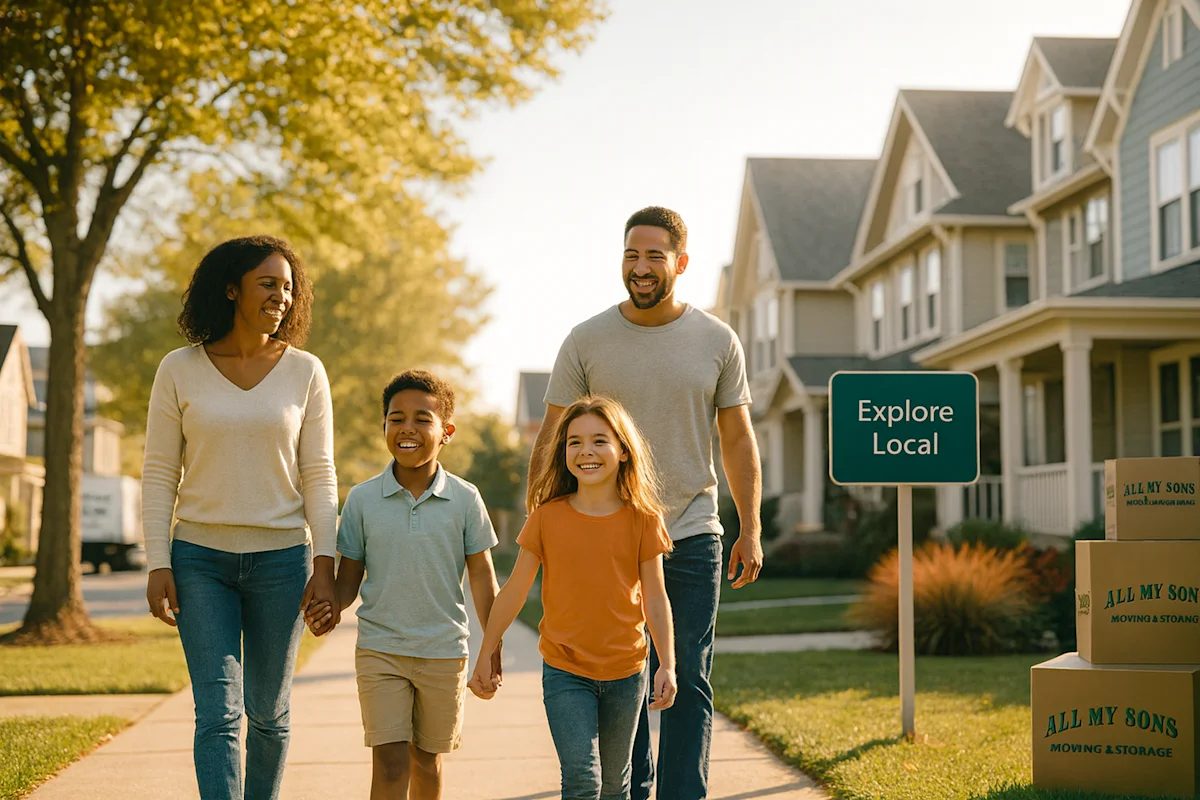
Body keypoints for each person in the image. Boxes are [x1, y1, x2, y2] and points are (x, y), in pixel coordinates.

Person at [530, 206, 764, 799]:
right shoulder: (587, 339)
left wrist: (750, 527)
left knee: (686, 675)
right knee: (617, 674)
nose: (641, 267)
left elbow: (736, 438)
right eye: (631, 255)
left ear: (680, 263)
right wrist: (543, 525)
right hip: (604, 534)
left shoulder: (716, 339)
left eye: (654, 255)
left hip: (689, 530)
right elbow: (552, 435)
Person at [141, 235, 339, 800]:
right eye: (268, 284)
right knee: (217, 712)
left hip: (283, 560)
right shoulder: (178, 370)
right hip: (200, 560)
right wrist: (159, 562)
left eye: (288, 287)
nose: (281, 296)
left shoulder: (306, 371)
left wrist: (323, 563)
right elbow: (159, 472)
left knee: (269, 714)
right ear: (231, 289)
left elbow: (319, 474)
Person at [304, 369, 501, 800]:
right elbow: (349, 581)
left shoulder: (466, 499)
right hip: (381, 649)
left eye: (421, 419)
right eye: (396, 418)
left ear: (446, 432)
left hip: (443, 652)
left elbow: (483, 578)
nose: (407, 428)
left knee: (426, 761)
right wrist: (328, 607)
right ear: (384, 428)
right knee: (390, 761)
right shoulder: (361, 500)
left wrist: (492, 645)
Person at [470, 395, 677, 800]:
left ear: (623, 450)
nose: (586, 451)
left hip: (626, 670)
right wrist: (486, 649)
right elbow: (514, 589)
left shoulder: (643, 519)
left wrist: (666, 664)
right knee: (583, 780)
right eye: (574, 442)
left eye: (599, 440)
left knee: (617, 786)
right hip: (566, 669)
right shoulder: (547, 517)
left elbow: (655, 597)